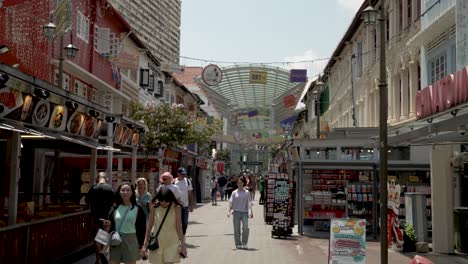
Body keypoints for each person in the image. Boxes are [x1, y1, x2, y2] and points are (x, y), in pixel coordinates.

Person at [103, 182, 147, 264]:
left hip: (131, 240)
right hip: (116, 240)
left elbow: (142, 228)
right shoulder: (114, 208)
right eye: (123, 190)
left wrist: (141, 245)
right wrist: (107, 225)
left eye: (128, 190)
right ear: (119, 192)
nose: (125, 192)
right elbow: (110, 226)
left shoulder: (138, 209)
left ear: (132, 192)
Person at [141, 187, 187, 263]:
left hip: (172, 243)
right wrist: (145, 245)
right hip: (157, 243)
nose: (164, 203)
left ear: (171, 199)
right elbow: (149, 227)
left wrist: (183, 245)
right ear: (158, 198)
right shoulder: (154, 208)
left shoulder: (176, 208)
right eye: (161, 200)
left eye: (167, 201)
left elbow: (179, 227)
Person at [86, 172, 115, 264]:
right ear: (106, 178)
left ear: (97, 179)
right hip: (107, 215)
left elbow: (87, 201)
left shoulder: (93, 188)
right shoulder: (110, 189)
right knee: (104, 236)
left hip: (96, 216)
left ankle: (98, 259)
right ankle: (103, 255)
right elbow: (114, 203)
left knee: (97, 237)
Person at [227, 176, 253, 250]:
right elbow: (231, 203)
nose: (240, 184)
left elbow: (249, 203)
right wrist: (228, 211)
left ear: (243, 183)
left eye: (241, 183)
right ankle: (238, 244)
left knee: (245, 228)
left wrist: (251, 212)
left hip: (245, 212)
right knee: (236, 229)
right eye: (238, 183)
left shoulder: (247, 192)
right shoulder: (234, 192)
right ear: (237, 184)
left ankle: (244, 243)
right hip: (236, 213)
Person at [174, 167, 195, 235]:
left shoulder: (188, 181)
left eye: (184, 174)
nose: (183, 175)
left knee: (185, 222)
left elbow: (190, 193)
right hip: (176, 206)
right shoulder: (174, 182)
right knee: (176, 222)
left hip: (185, 206)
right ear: (178, 174)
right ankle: (178, 236)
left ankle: (183, 234)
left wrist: (191, 205)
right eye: (181, 174)